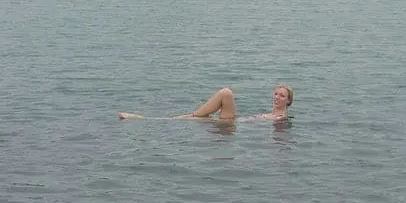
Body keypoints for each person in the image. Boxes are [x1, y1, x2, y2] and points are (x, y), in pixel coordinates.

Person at [117, 85, 294, 121]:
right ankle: (138, 118)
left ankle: (138, 118)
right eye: (276, 93)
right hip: (230, 122)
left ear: (288, 101)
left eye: (282, 96)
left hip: (231, 125)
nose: (277, 97)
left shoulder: (279, 118)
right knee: (184, 119)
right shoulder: (275, 115)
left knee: (226, 93)